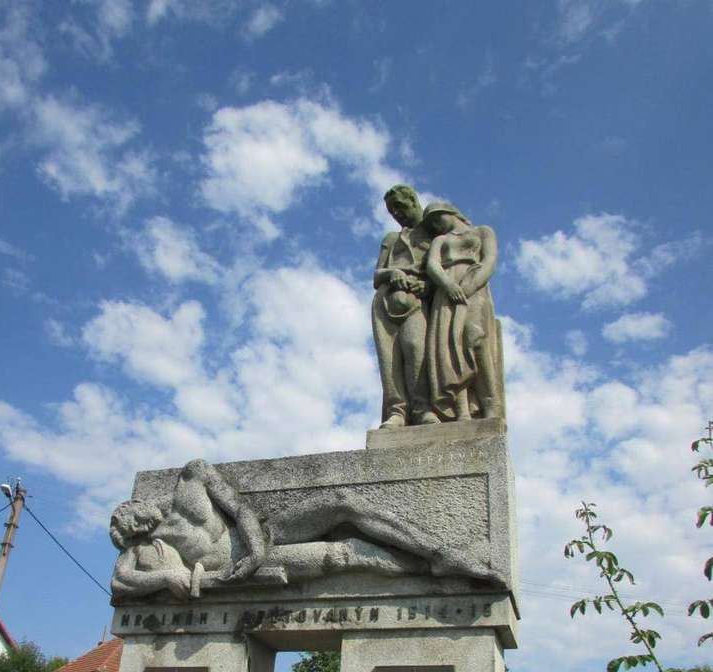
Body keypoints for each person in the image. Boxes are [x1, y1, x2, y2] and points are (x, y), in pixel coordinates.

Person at [110, 460, 503, 601]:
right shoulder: (149, 547)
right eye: (131, 532)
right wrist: (167, 576)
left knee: (343, 501)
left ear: (133, 504)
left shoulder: (193, 476)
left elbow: (241, 509)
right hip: (238, 567)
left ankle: (442, 554)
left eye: (132, 518)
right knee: (344, 553)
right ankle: (431, 571)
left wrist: (256, 551)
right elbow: (121, 582)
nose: (138, 526)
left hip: (260, 537)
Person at [422, 202, 503, 422]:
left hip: (474, 286)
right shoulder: (440, 240)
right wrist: (448, 285)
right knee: (451, 346)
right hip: (446, 290)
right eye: (431, 223)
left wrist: (471, 285)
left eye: (437, 218)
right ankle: (461, 410)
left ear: (450, 213)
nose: (436, 225)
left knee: (476, 339)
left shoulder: (482, 231)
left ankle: (490, 403)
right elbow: (432, 265)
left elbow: (490, 260)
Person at [371, 185, 436, 428]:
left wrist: (427, 285)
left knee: (415, 348)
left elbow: (447, 271)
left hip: (417, 301)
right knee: (390, 359)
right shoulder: (391, 239)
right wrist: (392, 273)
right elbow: (377, 275)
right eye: (391, 211)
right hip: (386, 302)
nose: (396, 213)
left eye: (399, 206)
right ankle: (397, 411)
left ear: (413, 200)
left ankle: (422, 408)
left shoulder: (434, 235)